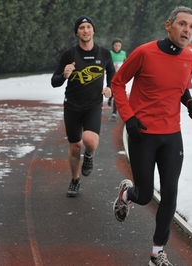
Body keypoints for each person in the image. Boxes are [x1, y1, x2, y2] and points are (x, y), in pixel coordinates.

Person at [111, 6, 192, 266]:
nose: (187, 30)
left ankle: (156, 252)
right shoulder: (144, 52)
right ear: (168, 25)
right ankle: (127, 194)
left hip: (172, 136)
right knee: (145, 195)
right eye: (182, 24)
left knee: (170, 194)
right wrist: (129, 118)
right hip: (143, 134)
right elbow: (117, 82)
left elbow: (181, 87)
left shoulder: (189, 58)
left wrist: (190, 101)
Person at [51, 16, 115, 197]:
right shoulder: (69, 55)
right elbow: (54, 81)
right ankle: (75, 180)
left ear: (93, 30)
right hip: (72, 106)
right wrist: (64, 75)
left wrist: (110, 87)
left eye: (88, 27)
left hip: (93, 105)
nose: (85, 30)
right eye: (81, 28)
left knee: (89, 141)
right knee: (75, 146)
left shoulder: (104, 54)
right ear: (77, 32)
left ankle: (89, 157)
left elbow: (112, 73)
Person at [108, 37, 127, 119]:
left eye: (119, 46)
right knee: (111, 90)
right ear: (113, 46)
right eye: (116, 45)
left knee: (116, 93)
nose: (117, 47)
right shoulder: (110, 53)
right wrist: (112, 66)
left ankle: (114, 112)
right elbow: (106, 64)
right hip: (111, 75)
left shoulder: (123, 53)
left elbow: (126, 63)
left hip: (119, 77)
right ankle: (109, 98)